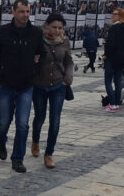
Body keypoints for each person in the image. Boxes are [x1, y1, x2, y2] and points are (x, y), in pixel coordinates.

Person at [0, 0, 45, 173]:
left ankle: (17, 158)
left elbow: (42, 53)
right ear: (13, 12)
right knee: (4, 121)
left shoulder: (35, 33)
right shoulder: (2, 32)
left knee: (23, 124)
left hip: (26, 85)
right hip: (5, 84)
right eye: (21, 11)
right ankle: (1, 141)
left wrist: (36, 68)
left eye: (27, 12)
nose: (25, 15)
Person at [31, 13, 73, 169]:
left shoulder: (64, 41)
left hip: (58, 85)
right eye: (54, 27)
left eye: (60, 28)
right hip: (39, 85)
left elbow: (68, 61)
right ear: (46, 26)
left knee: (55, 120)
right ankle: (35, 141)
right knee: (39, 117)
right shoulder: (38, 40)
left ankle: (49, 153)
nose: (57, 30)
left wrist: (67, 78)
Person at [102, 8, 124, 112]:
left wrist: (105, 54)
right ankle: (116, 104)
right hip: (122, 58)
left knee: (108, 81)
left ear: (120, 16)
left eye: (115, 14)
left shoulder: (114, 28)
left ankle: (112, 104)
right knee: (118, 81)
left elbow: (110, 44)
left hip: (112, 58)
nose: (112, 15)